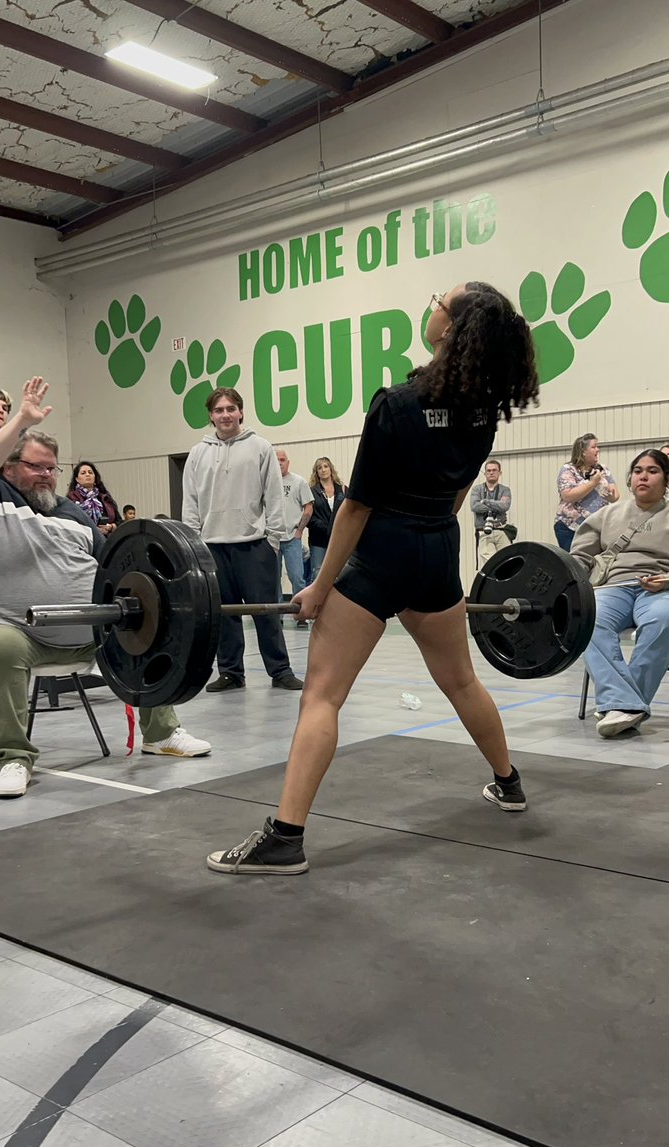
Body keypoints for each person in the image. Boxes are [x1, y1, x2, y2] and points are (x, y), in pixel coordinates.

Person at [206, 281, 540, 875]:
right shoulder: (484, 406)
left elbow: (356, 508)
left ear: (451, 328)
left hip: (381, 555)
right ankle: (508, 783)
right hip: (438, 549)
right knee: (462, 683)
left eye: (440, 300)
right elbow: (458, 493)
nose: (431, 304)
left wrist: (316, 587)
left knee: (323, 695)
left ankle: (285, 838)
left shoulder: (397, 402)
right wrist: (428, 534)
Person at [0, 379, 211, 800]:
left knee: (146, 629)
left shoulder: (73, 512)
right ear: (8, 466)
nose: (46, 475)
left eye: (52, 468)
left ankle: (161, 732)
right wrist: (21, 417)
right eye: (35, 466)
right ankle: (14, 757)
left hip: (98, 632)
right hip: (24, 634)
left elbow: (122, 561)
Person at [182, 387, 303, 693]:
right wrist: (195, 543)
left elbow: (274, 496)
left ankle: (280, 670)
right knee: (224, 615)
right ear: (211, 416)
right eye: (219, 410)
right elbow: (190, 501)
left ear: (241, 412)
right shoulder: (198, 454)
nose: (225, 415)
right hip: (212, 547)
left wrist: (274, 540)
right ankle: (231, 672)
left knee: (267, 613)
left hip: (255, 545)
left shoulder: (261, 448)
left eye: (231, 409)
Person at [571, 448, 669, 738]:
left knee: (663, 619)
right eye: (639, 470)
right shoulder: (608, 514)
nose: (644, 476)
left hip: (660, 589)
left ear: (666, 479)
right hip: (614, 587)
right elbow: (578, 557)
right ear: (630, 478)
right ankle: (627, 705)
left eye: (653, 471)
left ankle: (621, 705)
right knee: (590, 618)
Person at [554, 434, 619, 551]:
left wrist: (611, 496)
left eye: (597, 447)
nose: (598, 450)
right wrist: (592, 483)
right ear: (583, 451)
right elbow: (567, 496)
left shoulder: (602, 469)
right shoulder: (568, 469)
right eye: (594, 447)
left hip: (596, 527)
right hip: (570, 527)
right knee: (575, 564)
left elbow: (615, 496)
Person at [275, 449, 313, 628]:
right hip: (272, 539)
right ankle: (278, 615)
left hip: (292, 538)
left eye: (282, 460)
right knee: (273, 579)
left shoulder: (298, 482)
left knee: (297, 577)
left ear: (288, 463)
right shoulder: (266, 482)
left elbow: (308, 508)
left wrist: (299, 531)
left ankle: (300, 614)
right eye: (276, 460)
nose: (279, 462)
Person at [308, 457, 345, 579]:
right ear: (316, 472)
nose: (323, 470)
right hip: (318, 539)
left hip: (338, 539)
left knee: (341, 573)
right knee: (317, 572)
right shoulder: (311, 492)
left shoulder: (343, 489)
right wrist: (327, 528)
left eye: (325, 466)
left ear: (331, 469)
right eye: (319, 467)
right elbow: (309, 517)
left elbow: (348, 512)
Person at [469, 459, 512, 567]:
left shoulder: (505, 490)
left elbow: (505, 506)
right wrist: (496, 505)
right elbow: (474, 506)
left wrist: (486, 501)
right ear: (485, 473)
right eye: (488, 471)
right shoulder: (477, 489)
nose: (491, 473)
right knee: (491, 565)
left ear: (499, 472)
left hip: (501, 529)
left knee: (508, 562)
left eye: (494, 470)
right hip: (484, 531)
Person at [67, 460, 122, 536]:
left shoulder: (104, 498)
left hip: (106, 541)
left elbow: (119, 521)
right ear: (77, 479)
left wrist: (110, 527)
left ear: (95, 477)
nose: (87, 475)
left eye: (90, 472)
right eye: (83, 473)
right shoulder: (71, 499)